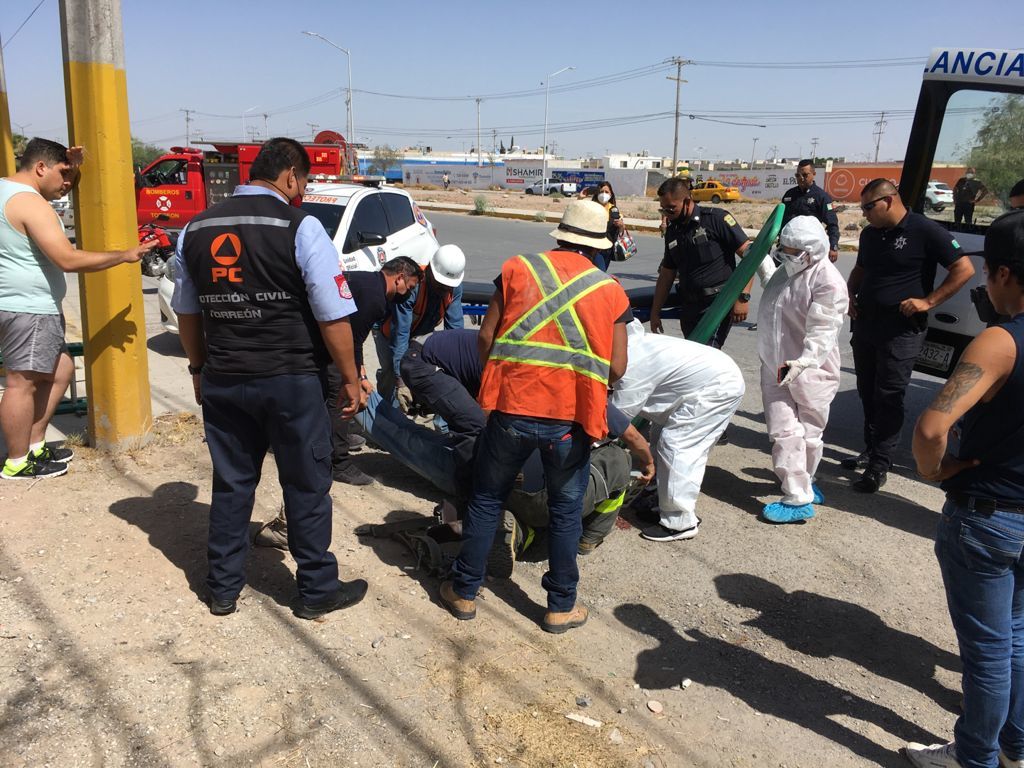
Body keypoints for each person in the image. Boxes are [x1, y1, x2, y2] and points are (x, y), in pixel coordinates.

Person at [171, 137, 367, 619]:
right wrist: (350, 377)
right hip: (290, 381)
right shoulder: (301, 227)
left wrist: (197, 368)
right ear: (291, 176)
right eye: (304, 182)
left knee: (232, 484)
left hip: (223, 377)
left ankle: (222, 590)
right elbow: (332, 313)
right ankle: (316, 591)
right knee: (305, 483)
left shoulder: (196, 227)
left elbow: (187, 312)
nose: (303, 191)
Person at [440, 199, 631, 634]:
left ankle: (464, 592)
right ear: (597, 245)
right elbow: (617, 368)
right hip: (569, 420)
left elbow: (485, 337)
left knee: (487, 498)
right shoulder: (610, 291)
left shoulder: (517, 270)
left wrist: (502, 382)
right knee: (565, 511)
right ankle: (560, 607)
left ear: (560, 234)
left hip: (512, 411)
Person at [903, 209, 1024, 768]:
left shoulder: (1001, 341)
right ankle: (1014, 747)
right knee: (1018, 638)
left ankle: (974, 758)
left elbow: (931, 429)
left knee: (988, 652)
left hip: (988, 515)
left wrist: (935, 471)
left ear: (1003, 274)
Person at [1, 138, 156, 481]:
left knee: (61, 369)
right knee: (21, 383)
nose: (68, 183)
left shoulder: (4, 191)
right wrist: (124, 255)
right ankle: (17, 461)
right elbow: (67, 259)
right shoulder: (31, 203)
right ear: (41, 167)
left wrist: (71, 164)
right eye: (63, 174)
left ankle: (34, 445)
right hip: (29, 307)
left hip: (16, 303)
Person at [844, 179, 974, 493]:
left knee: (889, 395)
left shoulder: (924, 230)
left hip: (900, 330)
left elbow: (964, 268)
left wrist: (928, 302)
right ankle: (871, 449)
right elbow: (860, 270)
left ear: (888, 201)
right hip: (867, 325)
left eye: (868, 207)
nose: (865, 214)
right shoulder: (870, 234)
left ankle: (880, 464)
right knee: (867, 390)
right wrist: (849, 295)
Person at [611, 319, 744, 542]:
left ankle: (679, 522)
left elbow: (617, 420)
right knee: (659, 438)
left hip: (717, 387)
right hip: (702, 382)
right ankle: (659, 499)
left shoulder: (632, 366)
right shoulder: (631, 347)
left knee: (677, 446)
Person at [755, 216, 849, 523]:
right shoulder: (788, 271)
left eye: (795, 252)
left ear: (814, 250)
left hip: (810, 368)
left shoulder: (827, 281)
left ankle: (802, 486)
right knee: (784, 430)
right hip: (778, 365)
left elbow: (824, 328)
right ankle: (798, 491)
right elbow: (776, 292)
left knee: (810, 431)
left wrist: (805, 361)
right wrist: (759, 261)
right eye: (785, 250)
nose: (788, 256)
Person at [325, 256, 422, 487]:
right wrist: (354, 380)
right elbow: (351, 341)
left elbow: (355, 337)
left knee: (333, 393)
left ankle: (331, 441)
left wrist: (362, 376)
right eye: (410, 287)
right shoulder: (376, 298)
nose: (409, 293)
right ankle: (338, 462)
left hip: (323, 338)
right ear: (400, 277)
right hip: (327, 343)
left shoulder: (367, 281)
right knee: (341, 397)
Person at [649, 177, 751, 349]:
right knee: (695, 356)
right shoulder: (673, 231)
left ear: (687, 201)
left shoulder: (716, 219)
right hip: (689, 307)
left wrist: (743, 297)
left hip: (716, 304)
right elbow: (667, 275)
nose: (667, 214)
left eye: (671, 209)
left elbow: (750, 255)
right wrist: (655, 312)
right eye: (663, 209)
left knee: (706, 353)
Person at [373, 244, 465, 403]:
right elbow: (400, 334)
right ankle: (385, 409)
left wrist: (456, 370)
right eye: (440, 284)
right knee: (391, 374)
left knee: (421, 372)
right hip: (388, 332)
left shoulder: (453, 289)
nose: (444, 289)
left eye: (447, 286)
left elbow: (455, 331)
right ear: (429, 271)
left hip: (420, 335)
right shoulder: (412, 286)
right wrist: (400, 380)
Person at [780, 160, 840, 263]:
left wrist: (833, 246)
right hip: (788, 249)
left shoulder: (822, 197)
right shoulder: (789, 195)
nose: (801, 178)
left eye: (805, 175)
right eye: (798, 175)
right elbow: (780, 220)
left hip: (810, 250)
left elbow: (832, 224)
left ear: (814, 174)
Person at [591, 181, 625, 272]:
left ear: (611, 194)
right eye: (601, 192)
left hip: (608, 249)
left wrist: (621, 226)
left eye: (606, 192)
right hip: (595, 248)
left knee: (602, 273)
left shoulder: (614, 209)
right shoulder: (592, 207)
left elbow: (621, 230)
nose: (604, 194)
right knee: (600, 272)